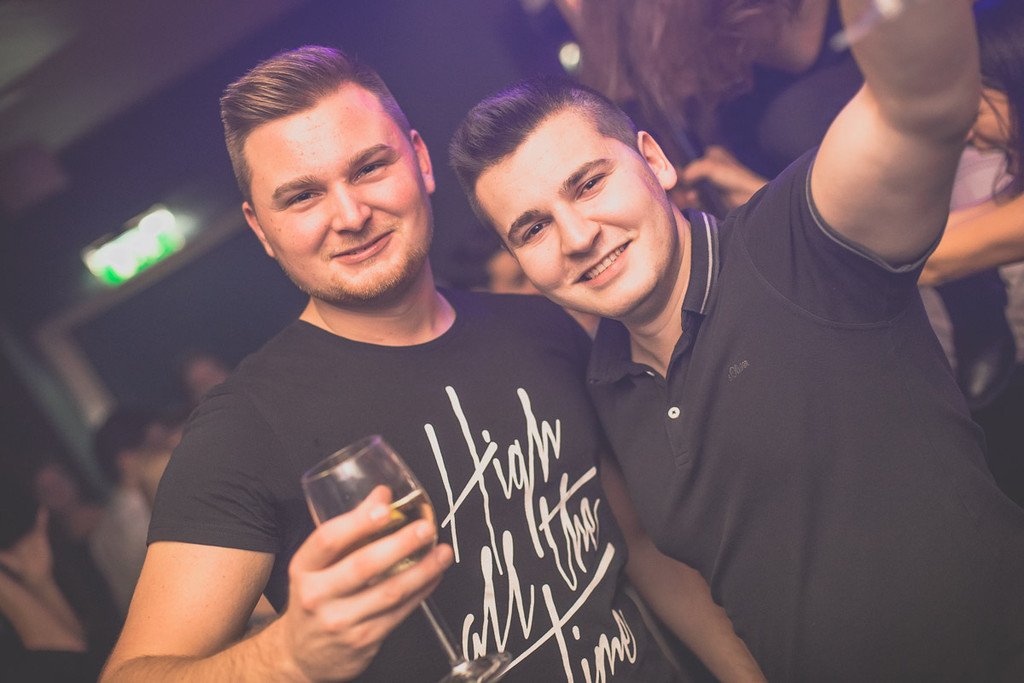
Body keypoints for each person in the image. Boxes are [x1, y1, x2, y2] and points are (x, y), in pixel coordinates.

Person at [101, 46, 765, 682]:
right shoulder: (241, 430)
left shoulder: (540, 326)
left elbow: (642, 548)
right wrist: (289, 656)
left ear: (419, 160)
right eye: (302, 196)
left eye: (369, 167)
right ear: (261, 229)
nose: (350, 214)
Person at [451, 0, 1024, 678]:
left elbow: (922, 100)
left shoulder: (800, 240)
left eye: (590, 183)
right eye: (533, 228)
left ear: (655, 160)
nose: (577, 237)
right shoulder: (604, 384)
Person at [90, 408, 177, 615]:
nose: (171, 452)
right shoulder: (145, 515)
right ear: (126, 460)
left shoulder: (101, 534)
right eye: (156, 447)